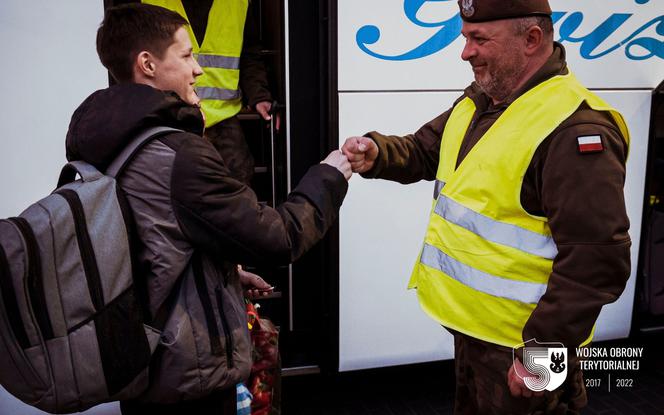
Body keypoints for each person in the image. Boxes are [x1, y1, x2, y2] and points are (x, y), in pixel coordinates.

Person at [342, 0, 631, 413]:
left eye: (479, 39)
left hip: (522, 350)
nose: (465, 52)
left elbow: (597, 260)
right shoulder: (486, 97)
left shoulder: (575, 129)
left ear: (531, 39)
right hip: (474, 337)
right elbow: (427, 149)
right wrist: (377, 154)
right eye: (465, 38)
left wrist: (541, 362)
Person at [67, 3, 350, 414]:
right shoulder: (179, 156)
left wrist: (226, 273)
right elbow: (278, 238)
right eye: (186, 56)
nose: (198, 69)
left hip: (136, 352)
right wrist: (329, 175)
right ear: (147, 64)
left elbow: (150, 236)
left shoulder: (95, 135)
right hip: (186, 368)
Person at [140, 0, 279, 184]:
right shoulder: (150, 2)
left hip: (221, 117)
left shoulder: (238, 3)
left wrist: (259, 96)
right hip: (170, 115)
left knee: (238, 178)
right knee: (175, 184)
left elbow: (249, 55)